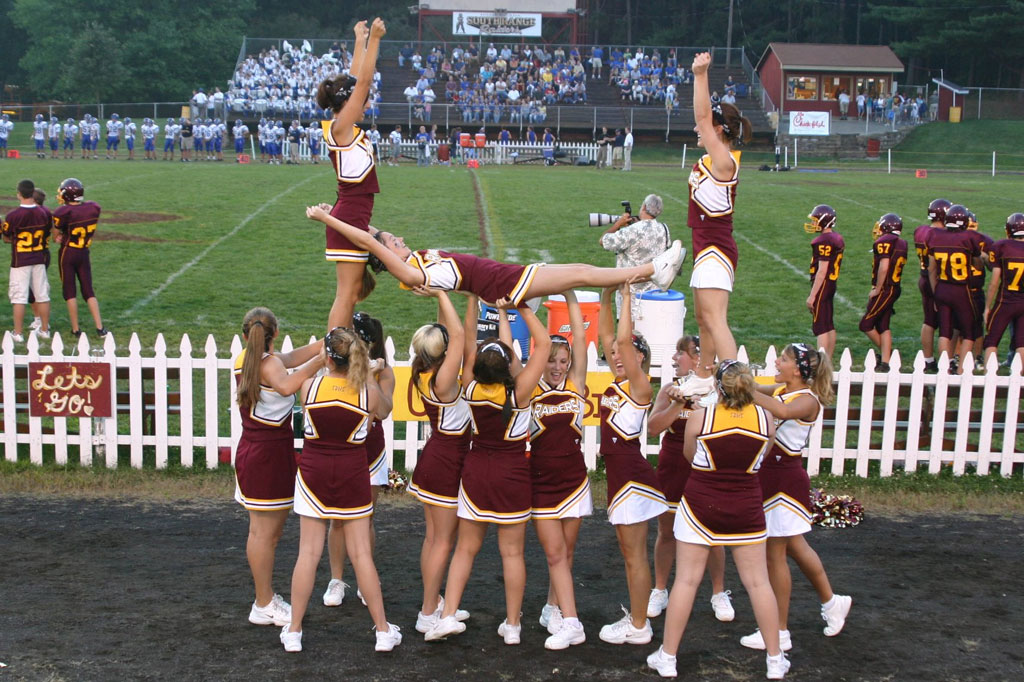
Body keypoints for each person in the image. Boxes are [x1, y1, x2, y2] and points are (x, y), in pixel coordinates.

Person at [646, 361, 789, 680]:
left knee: (685, 582)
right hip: (747, 508)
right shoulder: (765, 419)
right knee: (758, 583)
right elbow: (762, 457)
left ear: (718, 387)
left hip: (701, 506)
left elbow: (689, 455)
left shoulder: (702, 416)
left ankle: (668, 657)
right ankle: (775, 660)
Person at [424, 302, 552, 645]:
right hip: (512, 476)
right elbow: (544, 344)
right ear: (510, 365)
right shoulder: (520, 390)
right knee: (512, 554)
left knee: (465, 550)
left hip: (477, 473)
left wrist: (473, 304)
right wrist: (522, 309)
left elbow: (468, 341)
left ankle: (448, 613)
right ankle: (512, 625)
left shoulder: (470, 387)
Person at [282, 327, 401, 653]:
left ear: (327, 357)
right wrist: (375, 374)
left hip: (313, 474)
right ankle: (382, 631)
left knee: (307, 553)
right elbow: (385, 408)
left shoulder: (309, 387)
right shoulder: (368, 394)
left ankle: (293, 631)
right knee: (362, 554)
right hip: (352, 474)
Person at [305, 205, 685, 306]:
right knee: (582, 273)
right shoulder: (411, 274)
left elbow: (372, 237)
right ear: (389, 256)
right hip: (507, 283)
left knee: (581, 270)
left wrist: (340, 217)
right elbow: (373, 245)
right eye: (395, 241)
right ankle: (653, 270)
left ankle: (653, 272)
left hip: (506, 276)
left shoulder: (414, 264)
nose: (399, 237)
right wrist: (328, 219)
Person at [743, 343, 851, 656]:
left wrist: (745, 389)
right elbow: (757, 388)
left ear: (799, 370)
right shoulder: (781, 388)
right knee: (796, 548)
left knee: (775, 554)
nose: (777, 361)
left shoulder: (806, 400)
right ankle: (832, 602)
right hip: (771, 479)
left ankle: (779, 631)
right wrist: (729, 378)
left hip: (784, 483)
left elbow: (782, 411)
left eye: (785, 359)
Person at [233, 308, 322, 631]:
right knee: (264, 535)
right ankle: (263, 602)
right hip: (267, 457)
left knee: (264, 532)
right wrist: (319, 361)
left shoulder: (248, 358)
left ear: (248, 335)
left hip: (257, 453)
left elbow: (287, 359)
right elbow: (286, 386)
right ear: (276, 332)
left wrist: (319, 346)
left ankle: (264, 598)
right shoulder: (269, 366)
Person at [677, 51, 753, 404]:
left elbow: (702, 116)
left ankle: (737, 385)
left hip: (716, 248)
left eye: (707, 128)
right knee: (703, 318)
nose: (697, 129)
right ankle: (706, 375)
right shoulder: (714, 158)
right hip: (704, 245)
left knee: (714, 318)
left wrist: (700, 74)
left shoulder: (724, 161)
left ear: (719, 130)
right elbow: (705, 120)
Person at [594, 284, 668, 646]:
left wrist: (626, 296)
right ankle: (638, 620)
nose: (617, 356)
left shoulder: (641, 387)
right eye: (612, 355)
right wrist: (607, 295)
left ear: (641, 358)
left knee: (634, 556)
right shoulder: (620, 380)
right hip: (621, 477)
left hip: (631, 478)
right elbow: (609, 336)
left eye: (626, 353)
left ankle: (639, 626)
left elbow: (620, 342)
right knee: (629, 554)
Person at [647, 335, 734, 623]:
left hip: (707, 470)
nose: (674, 359)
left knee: (712, 535)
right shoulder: (671, 389)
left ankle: (719, 592)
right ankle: (660, 589)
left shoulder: (721, 392)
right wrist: (676, 405)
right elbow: (651, 429)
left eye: (679, 353)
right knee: (667, 531)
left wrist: (696, 406)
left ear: (698, 359)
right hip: (672, 468)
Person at [406, 291, 473, 634]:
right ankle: (429, 610)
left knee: (434, 539)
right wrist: (441, 291)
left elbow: (447, 332)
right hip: (447, 462)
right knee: (443, 542)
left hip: (435, 458)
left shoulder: (424, 368)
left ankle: (433, 604)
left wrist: (440, 299)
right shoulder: (444, 380)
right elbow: (458, 334)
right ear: (443, 352)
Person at [529, 290, 592, 650]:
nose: (558, 367)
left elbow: (581, 336)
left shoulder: (577, 386)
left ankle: (553, 607)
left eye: (563, 360)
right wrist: (521, 309)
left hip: (574, 482)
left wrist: (569, 293)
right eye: (552, 360)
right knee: (555, 555)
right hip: (542, 483)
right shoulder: (529, 388)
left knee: (565, 554)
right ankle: (572, 621)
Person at [316, 18, 387, 331]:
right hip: (349, 217)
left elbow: (355, 80)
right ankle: (335, 351)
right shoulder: (341, 127)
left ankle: (338, 346)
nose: (366, 103)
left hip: (354, 215)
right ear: (348, 103)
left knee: (351, 292)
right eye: (361, 100)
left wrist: (360, 39)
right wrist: (376, 41)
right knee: (346, 294)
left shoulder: (343, 126)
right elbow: (363, 82)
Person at [322, 312, 395, 608]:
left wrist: (370, 375)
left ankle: (366, 580)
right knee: (338, 520)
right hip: (340, 449)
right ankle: (336, 580)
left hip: (370, 452)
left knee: (365, 519)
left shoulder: (384, 371)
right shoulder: (336, 370)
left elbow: (384, 411)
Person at [927, 204, 985, 373]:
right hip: (961, 289)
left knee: (945, 331)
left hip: (942, 288)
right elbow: (978, 265)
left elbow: (931, 269)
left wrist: (935, 291)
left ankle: (945, 367)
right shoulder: (969, 238)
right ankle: (961, 370)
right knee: (968, 332)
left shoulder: (935, 237)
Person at [50, 179, 108, 338]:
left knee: (70, 291)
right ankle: (100, 328)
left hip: (68, 253)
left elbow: (55, 236)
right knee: (88, 290)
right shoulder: (94, 207)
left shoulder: (62, 212)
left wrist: (58, 234)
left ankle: (76, 329)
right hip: (84, 252)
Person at [599, 194, 671, 316]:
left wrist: (618, 225)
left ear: (643, 207)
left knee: (627, 333)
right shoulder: (664, 229)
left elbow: (603, 241)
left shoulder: (633, 230)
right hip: (654, 293)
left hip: (629, 294)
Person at [2, 179, 51, 343]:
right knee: (42, 295)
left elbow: (7, 237)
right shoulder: (43, 213)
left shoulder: (13, 216)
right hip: (38, 258)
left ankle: (18, 332)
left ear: (19, 194)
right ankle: (45, 329)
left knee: (19, 298)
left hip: (20, 260)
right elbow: (46, 234)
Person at [859, 214, 909, 371]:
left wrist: (877, 289)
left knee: (866, 324)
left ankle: (890, 355)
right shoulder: (902, 243)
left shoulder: (884, 242)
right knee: (883, 325)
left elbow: (884, 266)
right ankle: (886, 362)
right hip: (895, 287)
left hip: (885, 288)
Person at [983, 213, 1024, 370]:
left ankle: (989, 378)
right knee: (1021, 342)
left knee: (992, 340)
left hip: (1005, 301)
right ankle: (1020, 383)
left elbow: (994, 282)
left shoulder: (1001, 247)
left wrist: (987, 307)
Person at [805, 205, 845, 358]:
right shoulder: (836, 238)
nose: (813, 223)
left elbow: (822, 271)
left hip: (823, 284)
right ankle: (828, 360)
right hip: (831, 284)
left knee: (821, 326)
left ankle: (822, 362)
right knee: (828, 324)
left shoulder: (823, 241)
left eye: (816, 220)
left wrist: (812, 295)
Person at [916, 199, 950, 373]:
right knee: (946, 323)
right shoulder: (940, 235)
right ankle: (947, 360)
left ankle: (928, 359)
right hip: (936, 280)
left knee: (929, 320)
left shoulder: (920, 230)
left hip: (923, 278)